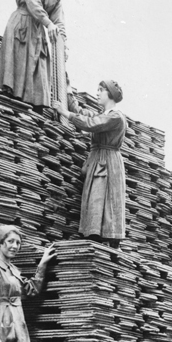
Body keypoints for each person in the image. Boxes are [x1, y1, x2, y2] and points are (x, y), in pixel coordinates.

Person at [52, 81, 127, 247]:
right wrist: (68, 90)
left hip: (109, 162)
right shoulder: (103, 114)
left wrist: (65, 113)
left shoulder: (115, 116)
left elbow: (90, 124)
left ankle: (110, 240)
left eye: (101, 90)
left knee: (106, 199)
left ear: (111, 94)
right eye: (97, 90)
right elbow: (80, 112)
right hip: (97, 160)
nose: (98, 93)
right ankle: (94, 236)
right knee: (95, 198)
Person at [0, 0, 68, 109]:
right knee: (19, 58)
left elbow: (59, 22)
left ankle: (33, 101)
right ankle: (10, 92)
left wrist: (64, 45)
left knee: (39, 62)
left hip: (38, 29)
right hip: (22, 22)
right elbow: (33, 4)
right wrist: (48, 24)